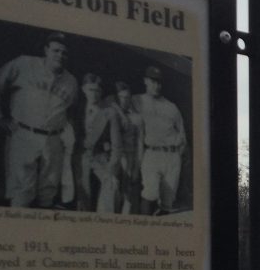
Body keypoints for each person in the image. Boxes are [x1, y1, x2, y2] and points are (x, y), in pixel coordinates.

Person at [0, 32, 79, 208]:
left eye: (64, 52)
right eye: (55, 50)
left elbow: (70, 113)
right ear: (46, 50)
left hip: (54, 140)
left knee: (47, 194)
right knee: (22, 194)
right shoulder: (25, 64)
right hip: (24, 135)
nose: (60, 55)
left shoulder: (71, 81)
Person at [135, 65, 187, 215]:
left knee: (167, 201)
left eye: (159, 82)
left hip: (172, 155)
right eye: (153, 81)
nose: (156, 85)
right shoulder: (137, 100)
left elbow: (182, 133)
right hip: (151, 153)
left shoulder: (171, 106)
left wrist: (179, 154)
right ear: (145, 81)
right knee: (150, 193)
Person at [77, 73, 123, 213]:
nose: (94, 94)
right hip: (80, 158)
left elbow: (117, 146)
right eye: (90, 90)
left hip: (100, 157)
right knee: (82, 198)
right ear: (83, 89)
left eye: (97, 90)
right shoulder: (76, 109)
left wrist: (111, 167)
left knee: (111, 186)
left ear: (101, 92)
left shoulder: (109, 113)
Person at [110, 80, 143, 214]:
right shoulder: (112, 112)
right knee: (113, 195)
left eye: (127, 97)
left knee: (128, 197)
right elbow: (109, 102)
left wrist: (137, 167)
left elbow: (140, 143)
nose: (125, 100)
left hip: (130, 158)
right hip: (114, 158)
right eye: (122, 97)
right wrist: (120, 111)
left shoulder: (137, 118)